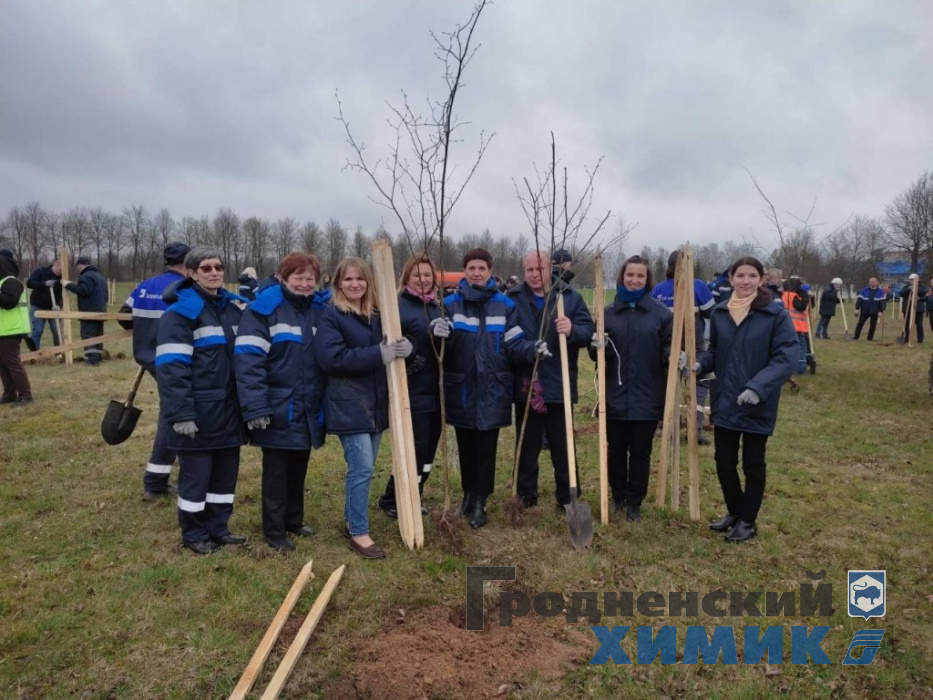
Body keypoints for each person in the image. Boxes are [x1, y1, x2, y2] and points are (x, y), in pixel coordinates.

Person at [432, 248, 542, 528]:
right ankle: (467, 495)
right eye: (472, 268)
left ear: (490, 272)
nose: (476, 273)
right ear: (465, 271)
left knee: (486, 447)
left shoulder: (505, 305)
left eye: (482, 268)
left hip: (493, 388)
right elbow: (440, 347)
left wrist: (533, 349)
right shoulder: (450, 304)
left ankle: (481, 500)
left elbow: (514, 344)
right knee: (465, 443)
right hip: (463, 387)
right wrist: (437, 334)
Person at [695, 256, 798, 543]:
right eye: (740, 275)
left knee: (752, 463)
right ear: (731, 278)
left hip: (757, 400)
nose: (745, 281)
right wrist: (700, 364)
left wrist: (758, 387)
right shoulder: (720, 312)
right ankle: (735, 511)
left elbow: (787, 355)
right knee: (723, 460)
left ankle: (748, 521)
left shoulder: (773, 314)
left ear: (761, 279)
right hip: (727, 398)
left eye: (752, 275)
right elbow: (715, 350)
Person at [316, 257, 411, 559]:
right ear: (338, 284)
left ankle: (351, 519)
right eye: (348, 280)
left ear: (369, 282)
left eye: (360, 279)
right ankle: (358, 531)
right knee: (363, 468)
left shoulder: (377, 314)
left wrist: (409, 348)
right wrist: (378, 354)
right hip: (348, 404)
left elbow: (397, 340)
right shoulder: (331, 315)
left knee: (364, 469)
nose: (355, 284)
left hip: (375, 406)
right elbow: (332, 360)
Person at [156, 247, 246, 555]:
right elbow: (171, 369)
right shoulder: (179, 314)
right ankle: (194, 533)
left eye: (218, 266)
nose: (214, 272)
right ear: (191, 273)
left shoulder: (234, 310)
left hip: (230, 410)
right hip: (199, 412)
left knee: (224, 476)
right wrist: (181, 414)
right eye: (205, 268)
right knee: (196, 479)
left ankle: (219, 527)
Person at [236, 253, 326, 552]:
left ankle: (293, 519)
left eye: (309, 278)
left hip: (306, 403)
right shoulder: (263, 311)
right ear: (282, 278)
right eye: (297, 277)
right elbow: (249, 362)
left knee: (299, 463)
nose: (304, 283)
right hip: (277, 403)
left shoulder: (318, 310)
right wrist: (256, 406)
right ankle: (274, 531)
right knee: (276, 470)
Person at [507, 250, 594, 510]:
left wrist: (573, 330)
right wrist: (529, 349)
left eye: (540, 269)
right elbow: (509, 340)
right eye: (530, 270)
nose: (535, 275)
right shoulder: (512, 300)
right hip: (527, 383)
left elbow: (587, 330)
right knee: (527, 444)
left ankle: (568, 498)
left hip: (558, 383)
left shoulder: (569, 297)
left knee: (562, 443)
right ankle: (525, 496)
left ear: (550, 270)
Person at [594, 255, 672, 522]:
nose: (635, 280)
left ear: (647, 279)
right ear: (622, 277)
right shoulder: (607, 315)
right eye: (630, 275)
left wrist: (675, 356)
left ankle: (634, 503)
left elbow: (667, 351)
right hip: (614, 396)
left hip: (647, 395)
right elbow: (597, 358)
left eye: (640, 276)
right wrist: (596, 348)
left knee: (640, 452)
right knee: (615, 450)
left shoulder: (660, 315)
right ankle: (617, 496)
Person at [118, 242, 191, 500]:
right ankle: (175, 480)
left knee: (170, 413)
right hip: (175, 360)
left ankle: (157, 480)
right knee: (180, 414)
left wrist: (145, 332)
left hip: (148, 358)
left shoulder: (145, 285)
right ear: (187, 263)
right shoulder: (184, 287)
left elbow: (123, 315)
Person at [378, 254, 442, 520]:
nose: (423, 280)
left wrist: (444, 338)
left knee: (428, 452)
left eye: (427, 275)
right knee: (414, 448)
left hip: (436, 391)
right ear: (407, 277)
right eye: (417, 275)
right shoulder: (397, 307)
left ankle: (416, 492)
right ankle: (395, 499)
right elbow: (391, 346)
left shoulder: (437, 307)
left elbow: (443, 352)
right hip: (410, 390)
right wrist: (412, 350)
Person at [651, 251, 715, 444]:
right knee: (699, 383)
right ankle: (693, 430)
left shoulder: (658, 289)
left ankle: (662, 425)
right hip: (692, 344)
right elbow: (711, 313)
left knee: (664, 382)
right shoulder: (699, 286)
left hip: (665, 345)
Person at [0, 249, 33, 406]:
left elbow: (9, 302)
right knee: (3, 364)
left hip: (11, 330)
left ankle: (26, 396)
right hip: (3, 330)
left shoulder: (12, 282)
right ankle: (9, 394)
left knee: (12, 364)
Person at [64, 256, 108, 366]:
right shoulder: (100, 277)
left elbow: (83, 291)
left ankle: (92, 359)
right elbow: (106, 295)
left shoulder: (86, 276)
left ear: (80, 265)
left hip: (89, 311)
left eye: (77, 267)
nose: (77, 269)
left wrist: (68, 285)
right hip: (101, 310)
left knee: (88, 335)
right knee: (98, 335)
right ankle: (98, 356)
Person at [25, 258, 62, 349]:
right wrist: (44, 283)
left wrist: (59, 306)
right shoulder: (41, 272)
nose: (62, 272)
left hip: (53, 308)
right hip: (37, 306)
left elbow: (63, 295)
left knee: (57, 330)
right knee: (38, 330)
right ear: (56, 265)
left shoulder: (62, 279)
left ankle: (59, 352)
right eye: (61, 269)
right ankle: (34, 354)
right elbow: (29, 283)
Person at [780, 277, 812, 374]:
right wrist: (805, 295)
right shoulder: (793, 296)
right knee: (801, 347)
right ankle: (800, 368)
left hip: (788, 325)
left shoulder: (784, 295)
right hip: (796, 326)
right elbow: (800, 307)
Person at [854, 277, 886, 341]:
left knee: (873, 326)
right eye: (870, 281)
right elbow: (859, 300)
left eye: (873, 281)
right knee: (860, 324)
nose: (871, 283)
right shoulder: (864, 290)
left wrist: (880, 311)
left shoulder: (880, 291)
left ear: (876, 282)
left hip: (875, 311)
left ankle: (869, 338)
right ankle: (856, 337)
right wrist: (857, 308)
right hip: (864, 311)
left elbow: (882, 303)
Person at [899, 274, 928, 344]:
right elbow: (901, 293)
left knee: (919, 324)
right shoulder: (906, 287)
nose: (911, 281)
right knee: (907, 324)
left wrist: (915, 288)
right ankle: (907, 338)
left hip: (918, 309)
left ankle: (920, 340)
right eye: (910, 280)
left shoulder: (922, 287)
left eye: (913, 280)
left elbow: (924, 292)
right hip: (907, 308)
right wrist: (909, 289)